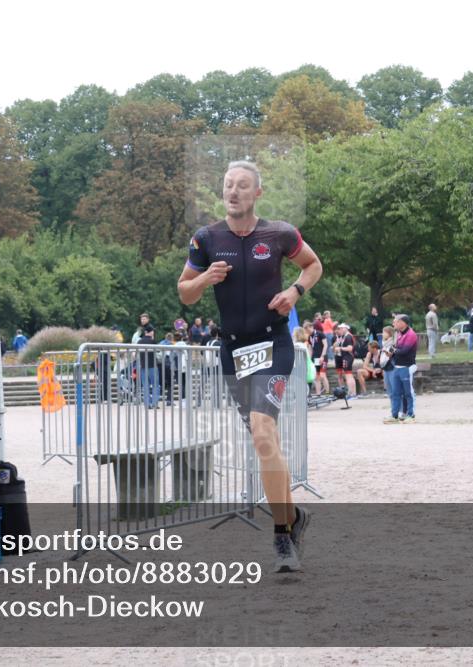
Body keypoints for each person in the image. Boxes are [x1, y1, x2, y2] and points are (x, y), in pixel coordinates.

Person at [177, 159, 323, 573]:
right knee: (264, 442)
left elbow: (313, 265)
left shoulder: (279, 233)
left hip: (273, 344)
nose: (233, 191)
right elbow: (184, 293)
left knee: (263, 432)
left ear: (257, 193)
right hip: (234, 350)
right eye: (228, 185)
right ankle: (293, 518)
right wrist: (206, 279)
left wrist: (295, 291)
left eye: (242, 185)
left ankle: (281, 538)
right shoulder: (206, 238)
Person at [384, 314, 418, 423]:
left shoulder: (411, 334)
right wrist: (391, 353)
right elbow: (396, 348)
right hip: (397, 366)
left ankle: (411, 415)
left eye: (396, 321)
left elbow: (404, 351)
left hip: (407, 367)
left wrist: (393, 352)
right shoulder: (398, 333)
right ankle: (394, 415)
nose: (394, 323)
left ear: (403, 322)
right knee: (395, 393)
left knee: (408, 392)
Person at [136, 316, 160, 408]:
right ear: (149, 332)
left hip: (143, 366)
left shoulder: (139, 342)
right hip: (152, 365)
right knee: (155, 385)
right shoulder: (152, 341)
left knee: (145, 385)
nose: (153, 332)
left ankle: (147, 403)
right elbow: (157, 351)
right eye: (152, 331)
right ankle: (154, 403)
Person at [332, 322, 357, 400]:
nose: (341, 330)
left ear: (346, 328)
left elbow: (350, 348)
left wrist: (340, 348)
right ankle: (353, 393)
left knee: (348, 375)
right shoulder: (345, 336)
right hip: (346, 356)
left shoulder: (348, 337)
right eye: (340, 328)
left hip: (348, 356)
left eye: (342, 328)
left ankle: (351, 393)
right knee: (349, 375)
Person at [309, 321, 330, 396]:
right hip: (315, 358)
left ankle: (327, 393)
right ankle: (318, 394)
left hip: (322, 357)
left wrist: (322, 356)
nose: (307, 331)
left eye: (308, 329)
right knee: (317, 376)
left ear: (311, 327)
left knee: (323, 375)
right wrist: (309, 359)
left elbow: (325, 345)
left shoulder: (320, 333)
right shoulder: (309, 336)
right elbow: (311, 348)